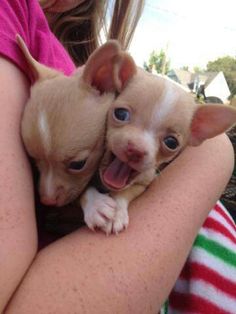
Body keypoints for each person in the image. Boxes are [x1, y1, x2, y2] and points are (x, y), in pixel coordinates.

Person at [0, 0, 235, 313]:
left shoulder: (83, 62)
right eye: (121, 114)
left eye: (168, 141)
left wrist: (215, 154)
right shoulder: (13, 15)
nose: (137, 146)